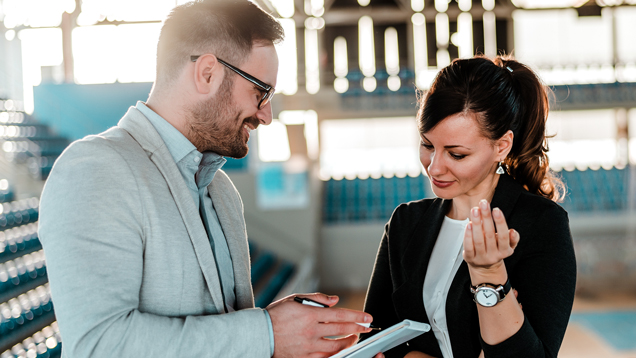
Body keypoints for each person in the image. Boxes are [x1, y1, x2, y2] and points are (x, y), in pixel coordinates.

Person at [38, 1, 372, 357]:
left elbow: (233, 340)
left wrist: (289, 338)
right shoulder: (96, 168)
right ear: (207, 73)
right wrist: (267, 334)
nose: (266, 115)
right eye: (261, 93)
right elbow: (100, 346)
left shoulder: (221, 191)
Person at [362, 56, 577, 358]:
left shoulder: (541, 225)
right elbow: (374, 341)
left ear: (501, 146)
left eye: (457, 154)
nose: (434, 168)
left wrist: (489, 274)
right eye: (427, 145)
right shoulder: (405, 223)